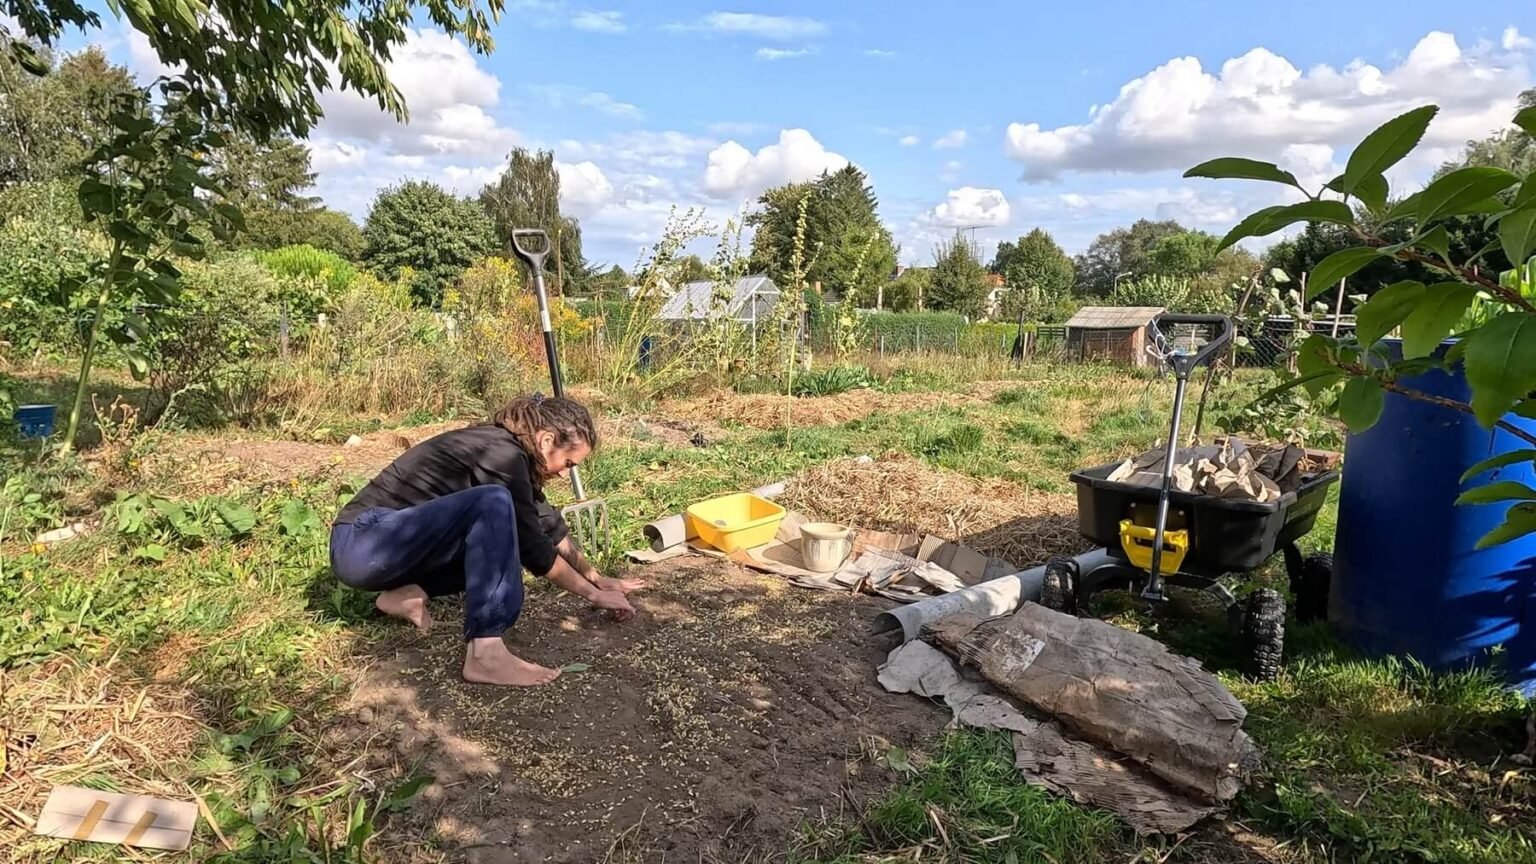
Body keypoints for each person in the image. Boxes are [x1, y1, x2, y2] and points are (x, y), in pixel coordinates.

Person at [329, 395, 641, 687]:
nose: (564, 474)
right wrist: (592, 595)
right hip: (363, 540)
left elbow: (547, 525)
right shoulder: (501, 454)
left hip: (386, 550)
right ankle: (485, 653)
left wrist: (597, 578)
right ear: (546, 440)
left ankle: (407, 594)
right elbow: (535, 548)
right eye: (569, 463)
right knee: (494, 504)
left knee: (505, 532)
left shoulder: (512, 457)